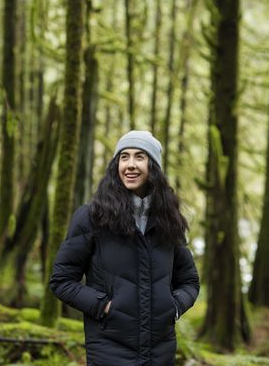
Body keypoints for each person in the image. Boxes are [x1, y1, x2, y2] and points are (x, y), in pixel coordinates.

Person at [49, 130, 200, 366]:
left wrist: (175, 307)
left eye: (140, 157)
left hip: (160, 352)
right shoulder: (92, 216)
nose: (130, 165)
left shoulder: (169, 220)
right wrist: (103, 305)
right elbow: (61, 280)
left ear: (154, 166)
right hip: (109, 348)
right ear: (116, 165)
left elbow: (190, 281)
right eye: (124, 157)